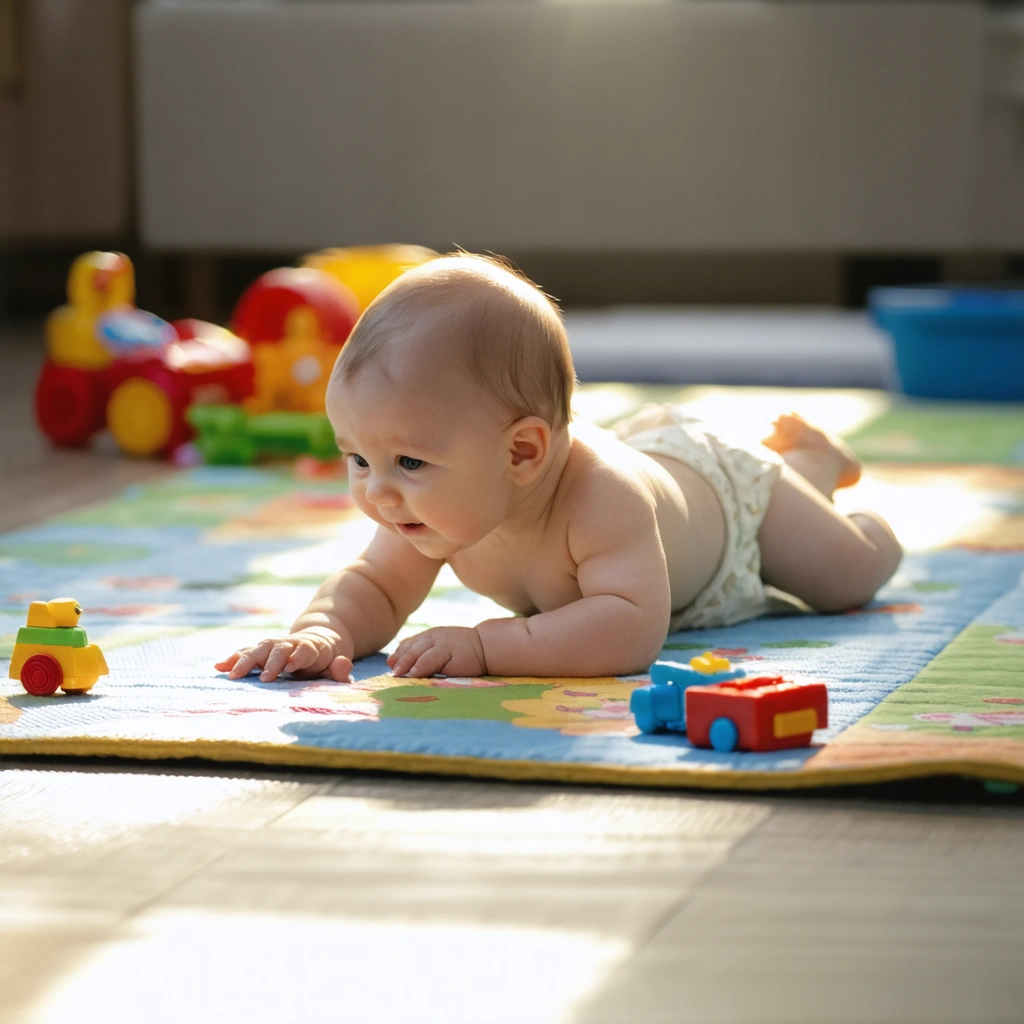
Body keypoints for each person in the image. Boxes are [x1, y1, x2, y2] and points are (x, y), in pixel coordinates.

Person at [215, 255, 901, 683]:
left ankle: (809, 470)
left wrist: (490, 648)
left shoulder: (603, 499)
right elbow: (374, 588)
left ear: (522, 454)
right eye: (356, 458)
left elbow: (631, 626)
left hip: (731, 501)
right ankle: (808, 465)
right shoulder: (426, 505)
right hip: (662, 473)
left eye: (407, 461)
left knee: (848, 573)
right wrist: (322, 631)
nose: (376, 491)